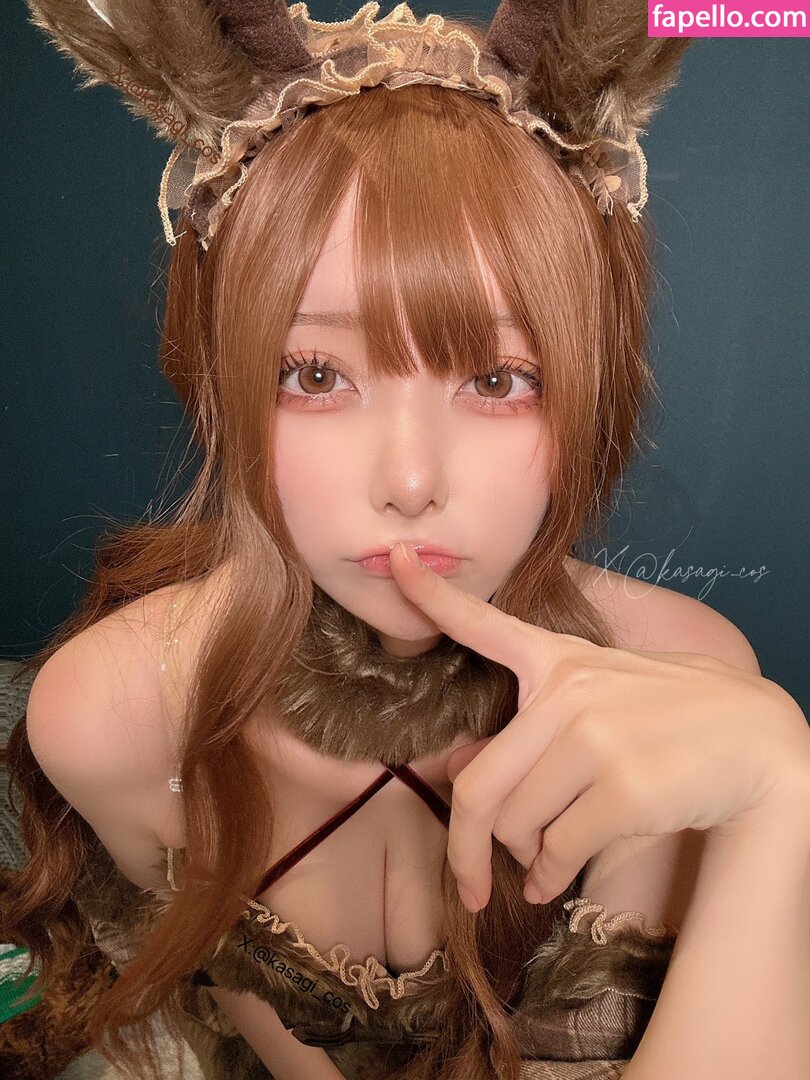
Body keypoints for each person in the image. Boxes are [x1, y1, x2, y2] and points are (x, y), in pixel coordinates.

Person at [5, 3, 810, 1079]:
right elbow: (236, 1003)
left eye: (498, 379)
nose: (412, 481)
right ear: (224, 382)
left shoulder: (681, 678)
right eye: (317, 374)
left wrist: (778, 795)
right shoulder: (113, 715)